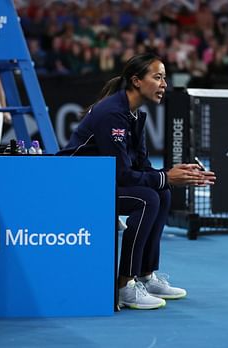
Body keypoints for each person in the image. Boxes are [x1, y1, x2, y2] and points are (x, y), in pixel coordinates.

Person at [58, 53, 216, 310]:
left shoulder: (134, 116)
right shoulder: (112, 113)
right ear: (136, 81)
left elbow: (141, 167)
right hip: (74, 185)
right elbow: (121, 174)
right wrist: (166, 177)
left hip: (99, 181)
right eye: (157, 77)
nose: (164, 84)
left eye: (165, 77)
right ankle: (124, 287)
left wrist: (175, 174)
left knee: (162, 192)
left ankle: (145, 274)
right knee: (147, 198)